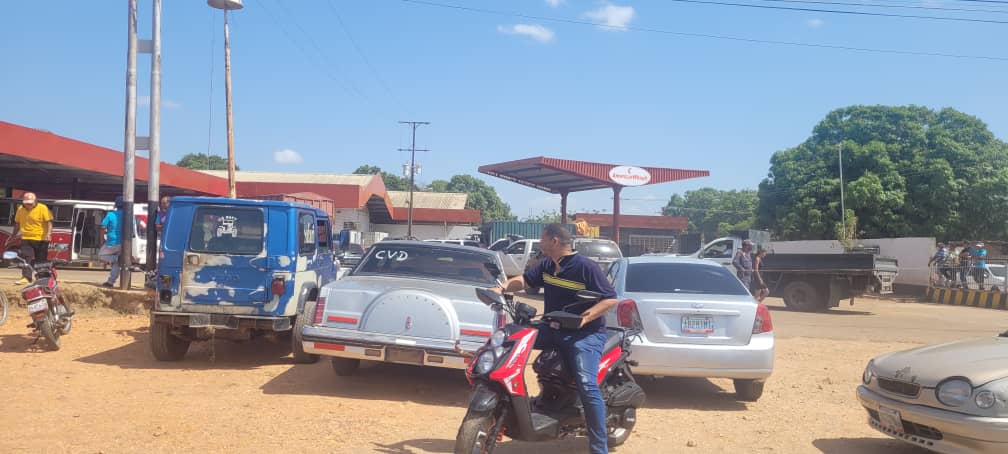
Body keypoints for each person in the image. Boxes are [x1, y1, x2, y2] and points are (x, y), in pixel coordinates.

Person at [491, 224, 618, 454]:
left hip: (584, 334)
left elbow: (610, 299)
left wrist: (583, 318)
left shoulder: (585, 267)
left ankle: (599, 449)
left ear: (555, 241)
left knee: (588, 385)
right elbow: (525, 280)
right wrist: (503, 288)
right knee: (513, 339)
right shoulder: (548, 265)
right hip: (552, 328)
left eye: (543, 238)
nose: (540, 242)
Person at [11, 192, 53, 284]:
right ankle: (26, 278)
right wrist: (13, 235)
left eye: (30, 203)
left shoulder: (43, 208)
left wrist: (48, 234)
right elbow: (17, 224)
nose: (28, 205)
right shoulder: (20, 209)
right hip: (26, 238)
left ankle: (43, 278)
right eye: (26, 203)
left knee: (41, 259)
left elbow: (49, 222)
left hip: (41, 238)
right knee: (26, 258)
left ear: (35, 201)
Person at [99, 196, 125, 288]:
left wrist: (102, 241)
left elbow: (102, 227)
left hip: (112, 242)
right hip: (124, 244)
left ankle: (117, 258)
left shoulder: (110, 214)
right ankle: (110, 282)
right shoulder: (129, 215)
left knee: (101, 256)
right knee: (116, 264)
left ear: (116, 205)